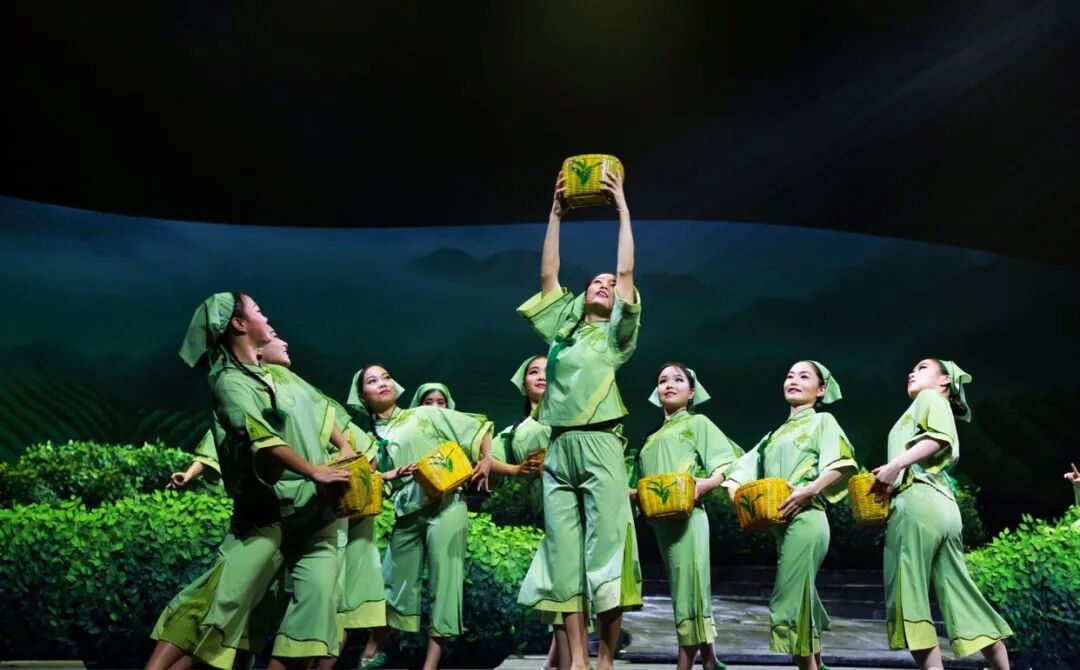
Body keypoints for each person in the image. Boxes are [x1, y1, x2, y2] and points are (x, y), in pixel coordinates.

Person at [146, 293, 351, 670]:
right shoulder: (229, 383)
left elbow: (321, 411)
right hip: (268, 513)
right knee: (221, 601)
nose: (267, 317)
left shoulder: (276, 377)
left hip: (313, 512)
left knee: (311, 608)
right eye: (258, 311)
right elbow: (257, 436)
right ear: (238, 324)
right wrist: (313, 470)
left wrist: (345, 450)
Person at [516, 169, 643, 670]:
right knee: (563, 556)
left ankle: (606, 658)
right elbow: (548, 275)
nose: (606, 285)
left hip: (601, 444)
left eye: (611, 285)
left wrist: (622, 208)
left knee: (606, 553)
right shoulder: (563, 333)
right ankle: (577, 661)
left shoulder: (615, 337)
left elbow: (626, 271)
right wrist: (556, 212)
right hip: (560, 447)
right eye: (597, 281)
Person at [869, 359, 1012, 670]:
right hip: (942, 505)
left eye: (922, 368)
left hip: (918, 503)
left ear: (945, 381)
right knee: (962, 594)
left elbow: (940, 438)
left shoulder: (929, 398)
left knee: (908, 596)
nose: (911, 372)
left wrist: (896, 465)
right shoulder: (927, 405)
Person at [723, 361, 857, 670]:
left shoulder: (822, 420)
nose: (794, 380)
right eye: (789, 376)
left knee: (789, 600)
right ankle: (817, 662)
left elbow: (841, 462)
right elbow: (739, 471)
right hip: (780, 526)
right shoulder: (773, 435)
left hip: (808, 518)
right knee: (802, 594)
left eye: (804, 376)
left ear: (820, 390)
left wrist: (811, 489)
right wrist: (737, 494)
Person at [631, 363, 742, 670]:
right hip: (660, 522)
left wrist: (705, 484)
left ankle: (685, 665)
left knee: (688, 591)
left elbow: (729, 463)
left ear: (692, 392)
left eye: (678, 380)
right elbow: (638, 484)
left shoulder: (698, 423)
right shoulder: (651, 437)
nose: (669, 384)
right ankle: (710, 660)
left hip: (688, 520)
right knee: (686, 588)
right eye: (662, 380)